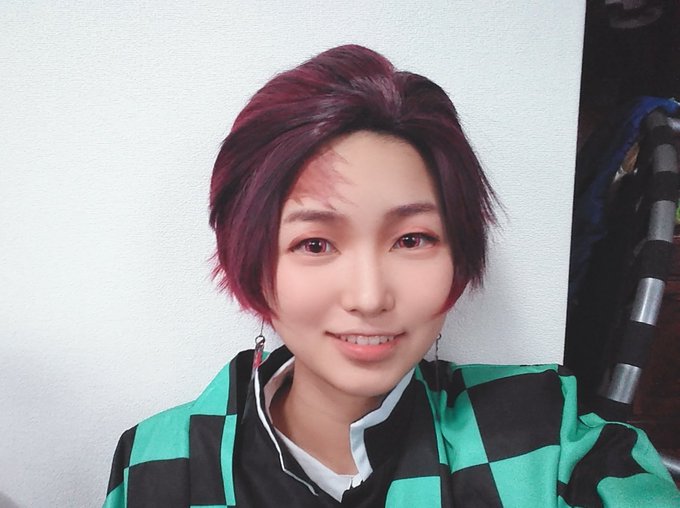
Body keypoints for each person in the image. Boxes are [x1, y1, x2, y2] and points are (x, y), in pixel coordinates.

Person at [102, 45, 679, 507]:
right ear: (250, 262)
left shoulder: (550, 440)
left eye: (412, 240)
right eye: (315, 243)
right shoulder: (158, 464)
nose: (370, 296)